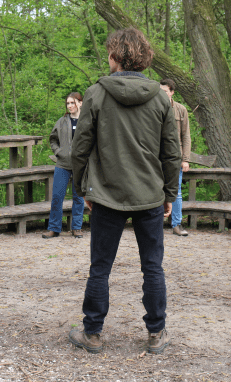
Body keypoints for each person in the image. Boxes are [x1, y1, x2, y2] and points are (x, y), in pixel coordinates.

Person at [68, 27, 181, 355]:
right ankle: (156, 333)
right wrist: (169, 194)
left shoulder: (96, 93)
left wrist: (82, 188)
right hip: (149, 194)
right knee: (152, 266)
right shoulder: (160, 97)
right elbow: (171, 153)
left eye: (109, 52)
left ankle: (92, 333)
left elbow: (80, 148)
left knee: (100, 267)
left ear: (116, 55)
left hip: (107, 194)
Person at [43, 92, 86, 239]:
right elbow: (53, 139)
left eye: (73, 102)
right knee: (57, 196)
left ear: (80, 103)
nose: (70, 106)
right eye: (68, 103)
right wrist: (58, 152)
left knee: (78, 197)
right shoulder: (62, 121)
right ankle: (54, 228)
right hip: (62, 163)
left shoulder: (86, 121)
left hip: (80, 164)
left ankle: (77, 228)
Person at [159, 79, 191, 237]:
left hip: (175, 157)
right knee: (155, 189)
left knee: (176, 191)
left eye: (165, 91)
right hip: (156, 157)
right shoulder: (153, 107)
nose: (162, 94)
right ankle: (155, 223)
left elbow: (186, 136)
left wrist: (185, 159)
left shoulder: (180, 109)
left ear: (172, 92)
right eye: (160, 91)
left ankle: (177, 224)